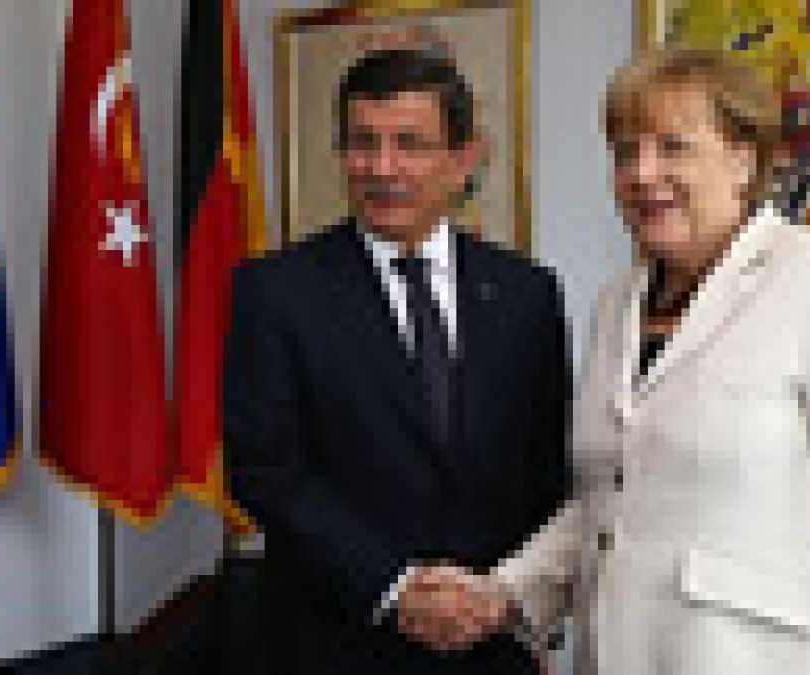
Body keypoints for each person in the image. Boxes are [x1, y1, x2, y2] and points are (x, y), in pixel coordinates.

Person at [407, 47, 810, 674]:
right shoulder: (616, 303)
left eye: (673, 147)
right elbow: (606, 502)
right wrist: (501, 592)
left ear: (743, 161)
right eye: (626, 152)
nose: (642, 173)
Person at [222, 48, 571, 674]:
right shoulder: (274, 291)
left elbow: (546, 474)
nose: (382, 168)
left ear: (463, 159)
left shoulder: (528, 293)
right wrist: (396, 587)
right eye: (363, 143)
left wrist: (522, 607)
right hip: (335, 641)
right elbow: (265, 472)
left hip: (490, 638)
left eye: (409, 144)